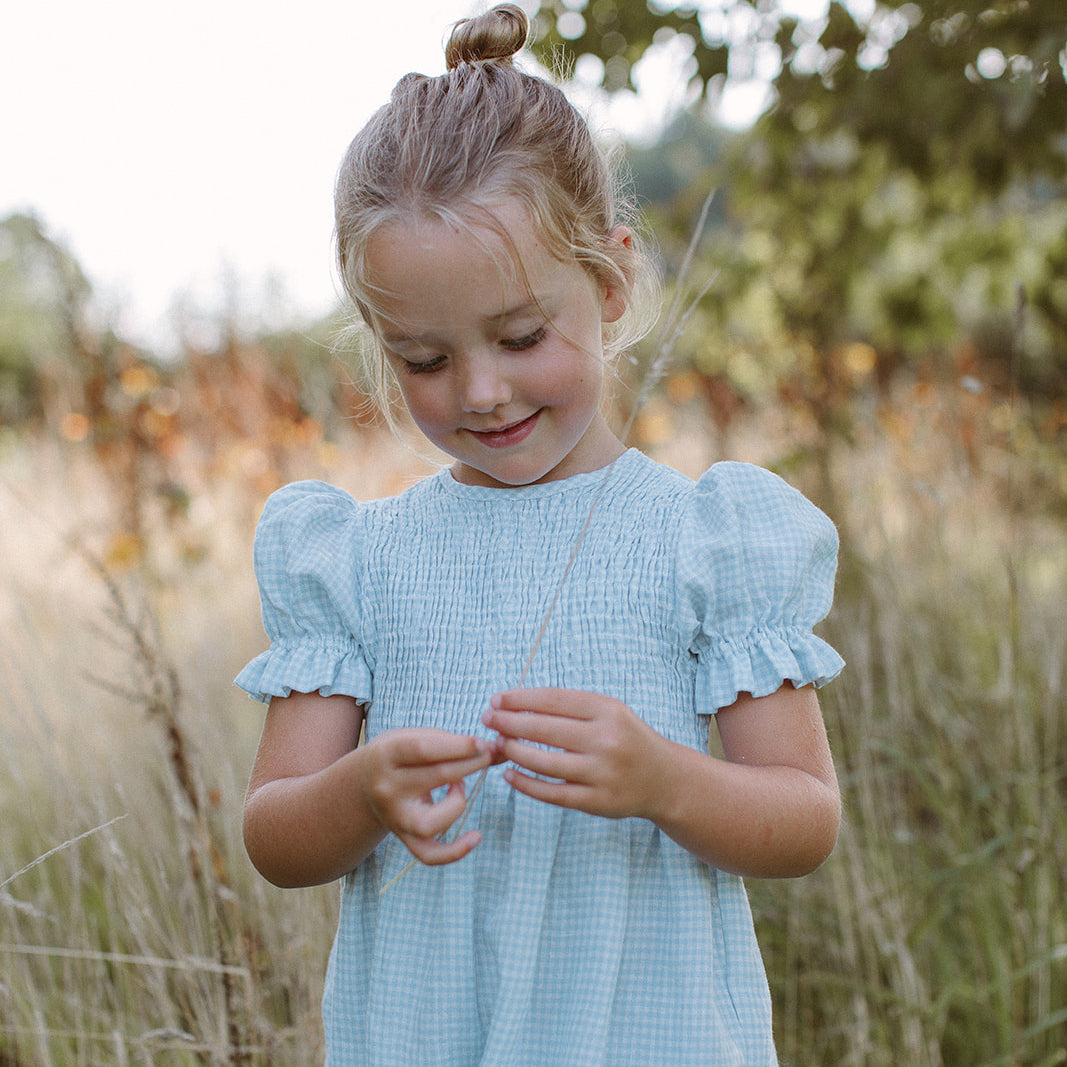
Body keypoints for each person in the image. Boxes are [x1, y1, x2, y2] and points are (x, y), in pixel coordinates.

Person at [237, 5, 845, 1063]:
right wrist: (362, 787)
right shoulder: (353, 559)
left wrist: (665, 780)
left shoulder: (705, 539)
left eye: (521, 336)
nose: (479, 389)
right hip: (426, 1032)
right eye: (423, 358)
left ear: (608, 285)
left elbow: (802, 817)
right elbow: (276, 833)